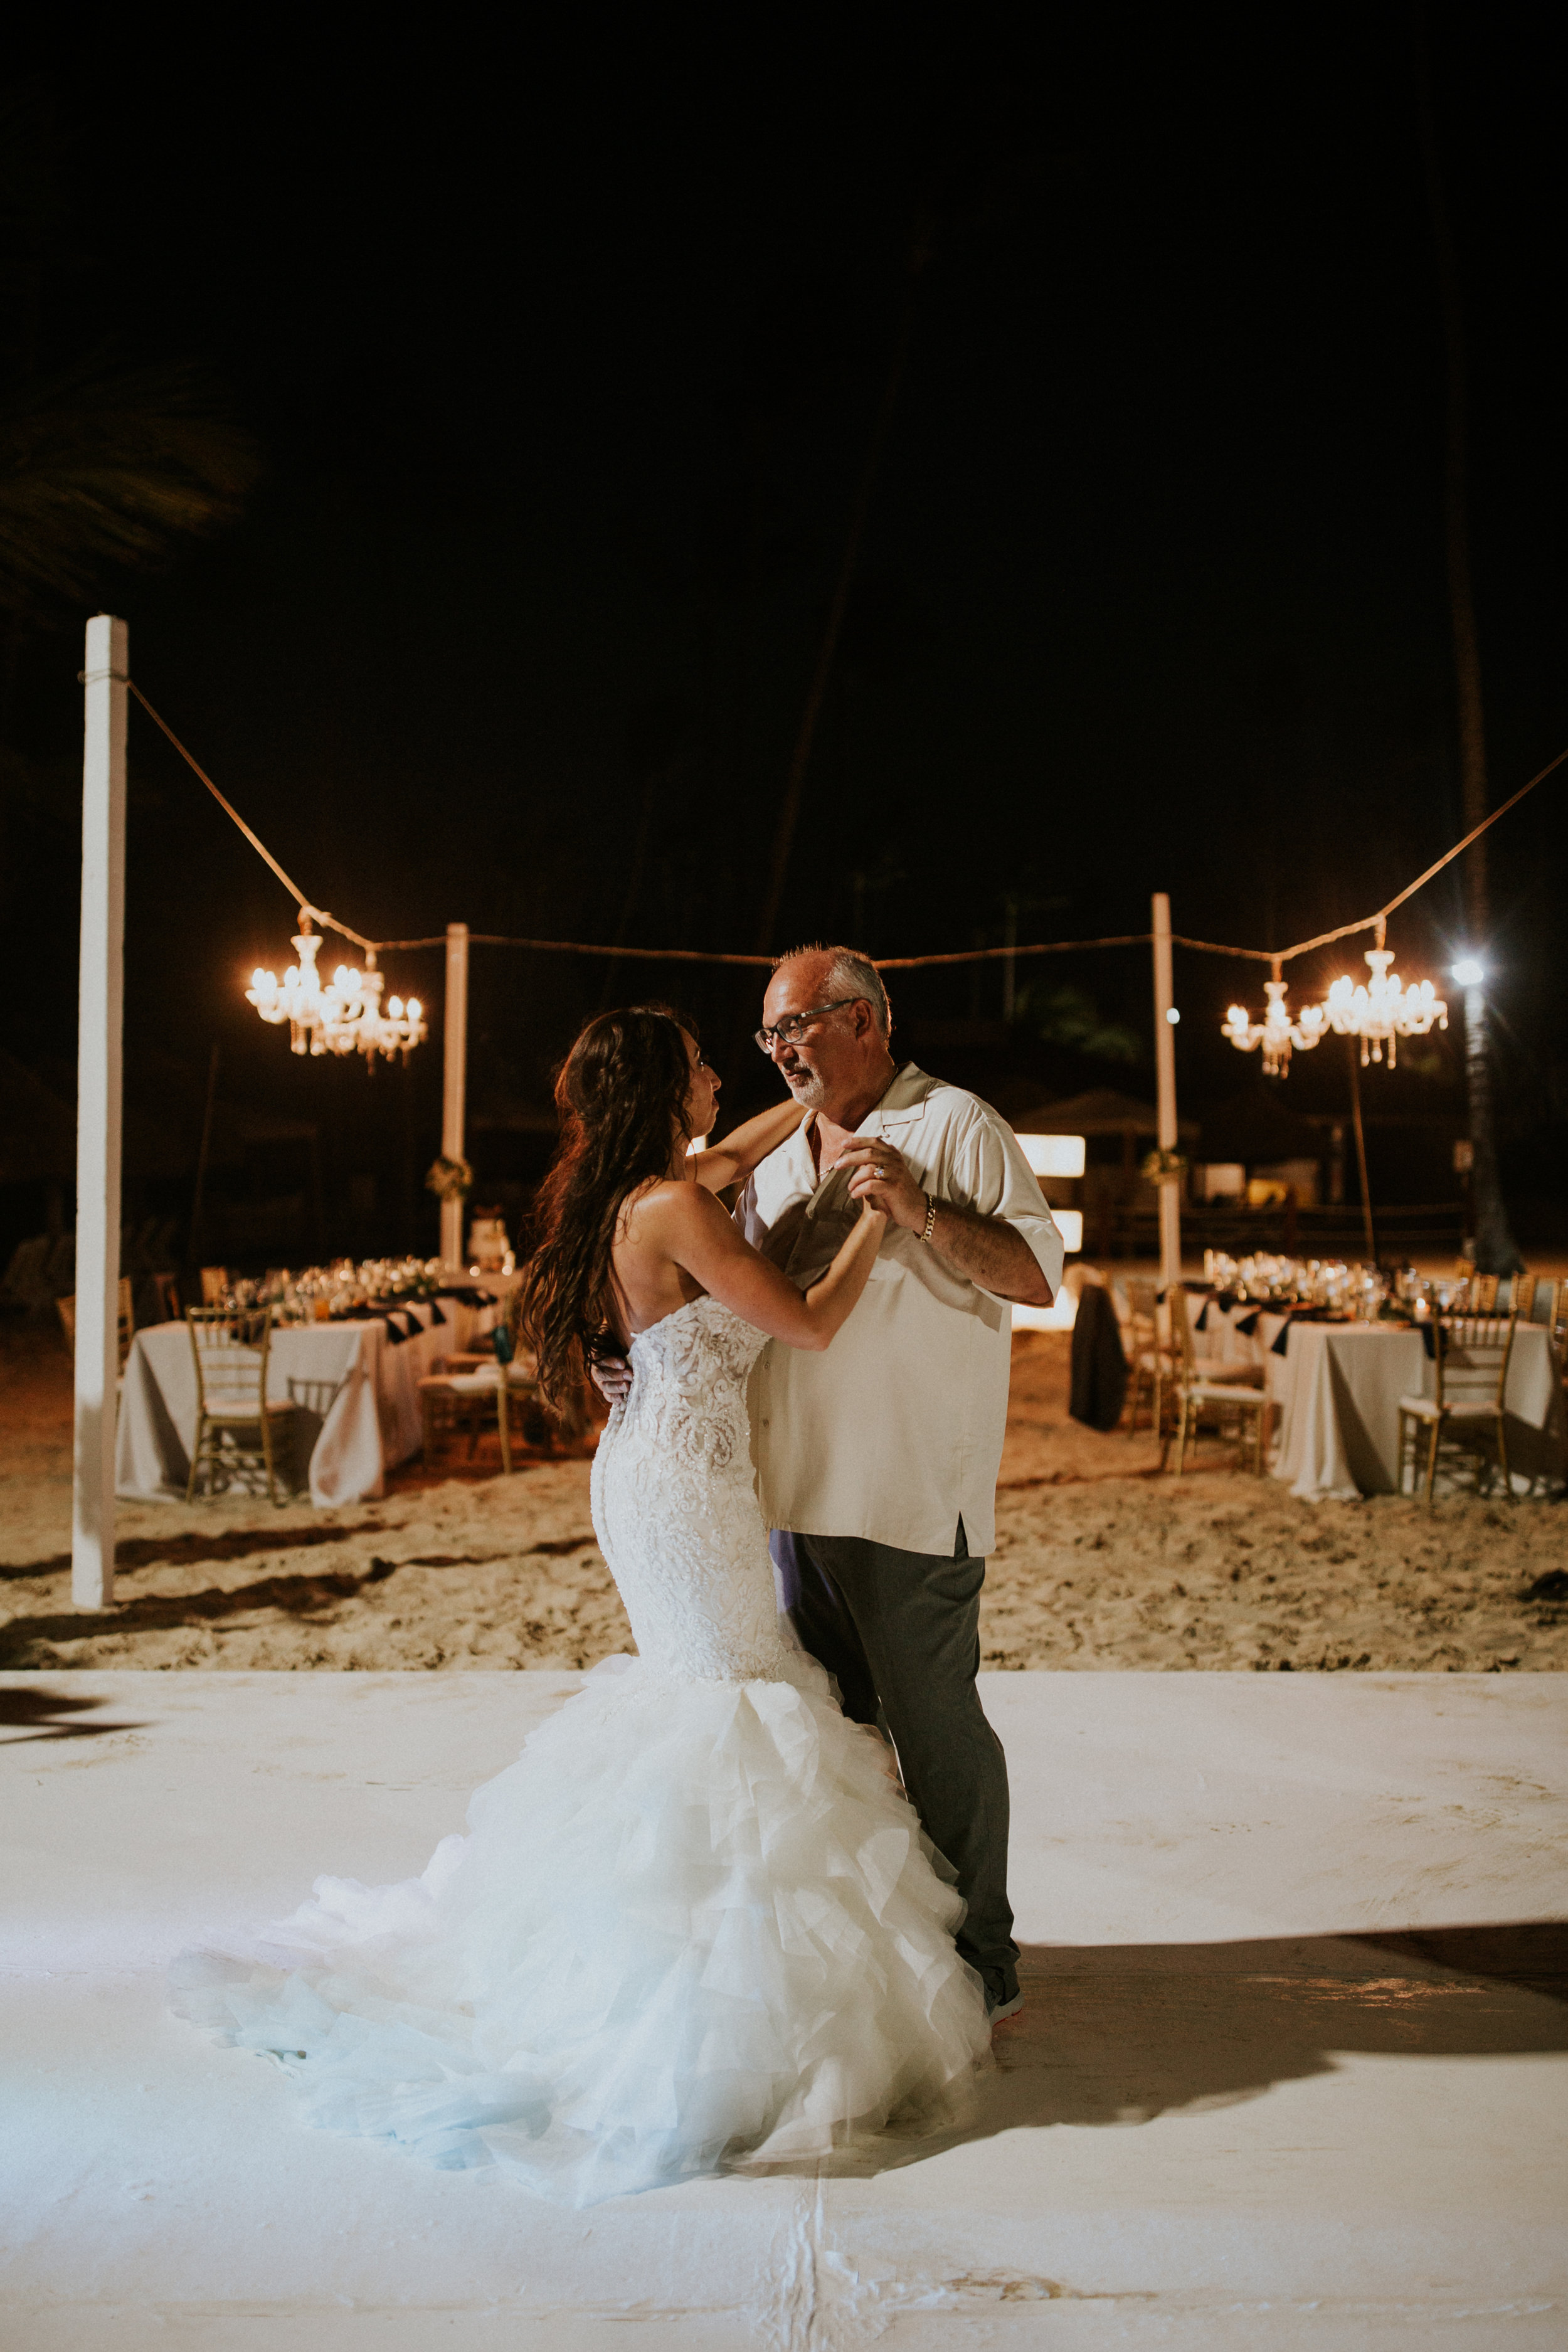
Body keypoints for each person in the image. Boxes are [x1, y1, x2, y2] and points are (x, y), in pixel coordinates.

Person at [171, 1004, 990, 2206]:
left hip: (653, 1469)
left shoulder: (642, 1193)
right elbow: (805, 1322)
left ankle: (679, 1948)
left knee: (710, 1691)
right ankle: (708, 1988)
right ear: (667, 1085)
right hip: (686, 1489)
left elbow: (739, 1152)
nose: (723, 1076)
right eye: (705, 1066)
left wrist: (812, 1112)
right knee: (729, 1698)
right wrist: (878, 1214)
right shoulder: (673, 1210)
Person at [595, 944, 1064, 2020]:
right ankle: (873, 1966)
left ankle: (983, 1958)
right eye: (767, 1036)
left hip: (904, 1491)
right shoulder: (768, 1156)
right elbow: (694, 1288)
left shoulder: (956, 1124)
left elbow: (1037, 1276)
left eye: (795, 1026)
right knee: (830, 1756)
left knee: (936, 1735)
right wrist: (627, 1348)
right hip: (779, 1501)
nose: (778, 1051)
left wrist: (926, 1213)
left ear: (865, 1018)